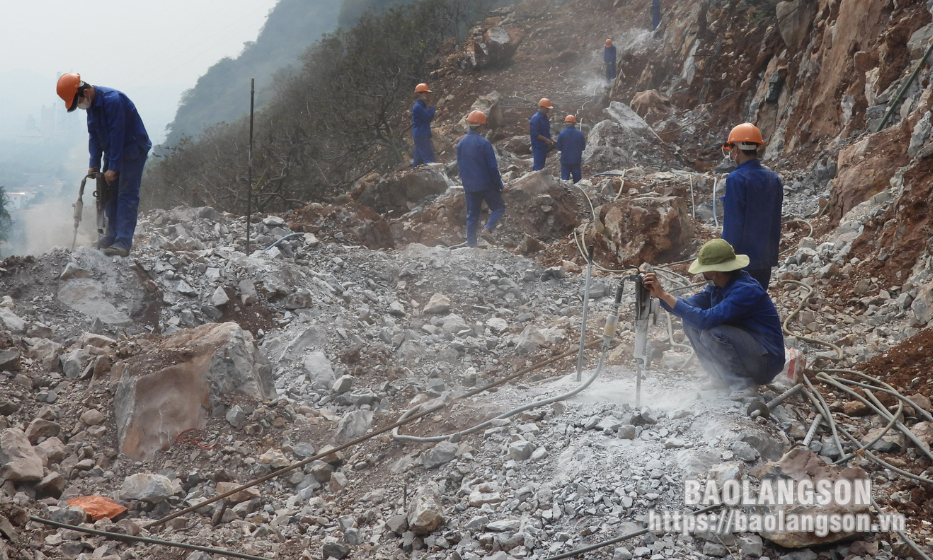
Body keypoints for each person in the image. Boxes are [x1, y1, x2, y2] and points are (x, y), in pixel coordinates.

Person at [643, 239, 785, 400]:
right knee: (689, 322)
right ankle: (721, 378)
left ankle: (742, 383)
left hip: (766, 361)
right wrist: (659, 296)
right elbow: (687, 307)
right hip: (751, 352)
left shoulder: (745, 291)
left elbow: (704, 320)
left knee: (712, 331)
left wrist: (664, 295)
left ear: (713, 272)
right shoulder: (718, 287)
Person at [56, 73, 151, 257]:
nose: (80, 106)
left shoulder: (113, 101)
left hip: (132, 149)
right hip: (114, 151)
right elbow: (94, 135)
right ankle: (111, 236)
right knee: (108, 194)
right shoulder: (92, 106)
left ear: (85, 91)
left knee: (126, 195)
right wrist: (94, 164)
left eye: (79, 101)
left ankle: (122, 242)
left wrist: (112, 167)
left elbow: (118, 134)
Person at [720, 122, 783, 290]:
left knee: (738, 307)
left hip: (742, 261)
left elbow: (733, 224)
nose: (731, 153)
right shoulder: (773, 178)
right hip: (765, 259)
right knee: (758, 301)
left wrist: (723, 258)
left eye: (731, 148)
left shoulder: (736, 179)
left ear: (737, 150)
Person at [457, 111, 506, 247]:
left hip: (469, 186)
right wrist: (500, 185)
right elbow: (492, 167)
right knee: (499, 207)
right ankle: (487, 229)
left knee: (472, 216)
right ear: (481, 126)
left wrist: (466, 184)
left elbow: (460, 167)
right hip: (486, 185)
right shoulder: (484, 143)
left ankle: (471, 247)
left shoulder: (460, 144)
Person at [412, 83, 437, 166]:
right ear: (420, 94)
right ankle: (435, 177)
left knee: (418, 161)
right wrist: (431, 107)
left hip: (420, 135)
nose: (427, 95)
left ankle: (412, 176)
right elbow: (428, 118)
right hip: (422, 135)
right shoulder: (418, 107)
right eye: (426, 93)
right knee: (429, 159)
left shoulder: (421, 106)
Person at [556, 115, 586, 183]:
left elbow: (558, 147)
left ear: (565, 123)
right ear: (575, 123)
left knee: (564, 181)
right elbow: (583, 147)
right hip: (576, 160)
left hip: (565, 160)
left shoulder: (562, 134)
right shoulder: (580, 134)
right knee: (578, 181)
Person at [529, 98, 556, 171]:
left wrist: (552, 139)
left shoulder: (545, 118)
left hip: (544, 145)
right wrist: (546, 140)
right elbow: (535, 133)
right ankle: (536, 178)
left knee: (542, 163)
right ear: (542, 107)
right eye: (547, 108)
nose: (548, 110)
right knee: (538, 164)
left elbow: (546, 132)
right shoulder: (536, 118)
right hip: (538, 145)